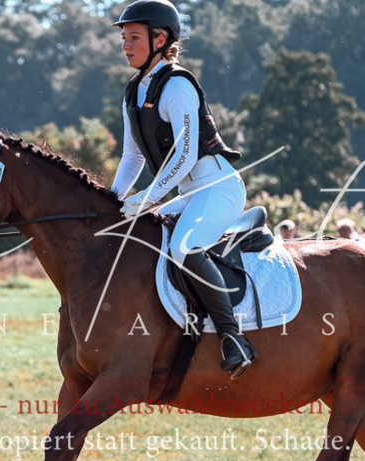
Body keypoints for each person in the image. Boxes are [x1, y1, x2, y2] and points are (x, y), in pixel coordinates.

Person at [111, 0, 256, 377]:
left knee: (184, 246)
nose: (126, 45)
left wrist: (148, 197)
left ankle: (233, 336)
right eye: (124, 38)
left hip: (218, 188)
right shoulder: (133, 91)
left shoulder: (176, 85)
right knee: (140, 236)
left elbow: (186, 154)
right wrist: (112, 201)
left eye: (134, 37)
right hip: (187, 194)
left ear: (160, 40)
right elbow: (132, 157)